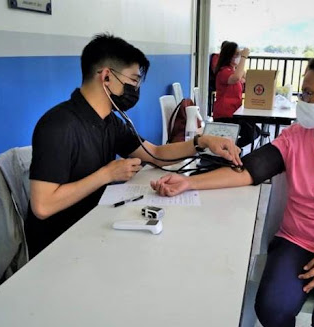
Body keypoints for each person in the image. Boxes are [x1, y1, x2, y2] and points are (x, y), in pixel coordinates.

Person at [151, 55, 314, 327]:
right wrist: (188, 184)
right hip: (296, 240)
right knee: (270, 308)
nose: (300, 99)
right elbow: (248, 171)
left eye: (308, 93)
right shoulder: (296, 137)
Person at [25, 33, 241, 258]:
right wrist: (107, 174)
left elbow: (155, 153)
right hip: (58, 245)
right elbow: (43, 206)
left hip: (94, 225)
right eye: (133, 80)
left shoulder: (109, 121)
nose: (136, 88)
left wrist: (201, 142)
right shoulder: (58, 125)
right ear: (106, 76)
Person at [213, 41, 259, 148]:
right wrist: (243, 57)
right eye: (236, 54)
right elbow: (236, 78)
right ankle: (230, 149)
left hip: (234, 113)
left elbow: (244, 78)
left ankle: (231, 148)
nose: (238, 56)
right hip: (225, 115)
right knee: (250, 134)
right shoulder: (223, 72)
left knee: (255, 131)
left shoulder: (233, 70)